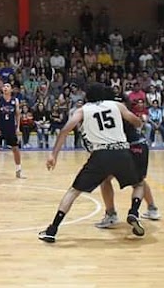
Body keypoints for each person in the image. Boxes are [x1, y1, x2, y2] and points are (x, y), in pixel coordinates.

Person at [38, 83, 146, 243]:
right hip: (122, 152)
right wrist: (138, 124)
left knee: (73, 191)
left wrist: (53, 155)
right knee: (138, 185)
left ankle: (52, 230)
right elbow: (136, 121)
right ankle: (134, 211)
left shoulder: (82, 110)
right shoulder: (116, 105)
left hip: (100, 154)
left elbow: (65, 130)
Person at [95, 88, 161, 229]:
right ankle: (152, 209)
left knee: (106, 179)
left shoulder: (113, 113)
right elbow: (139, 123)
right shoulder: (125, 112)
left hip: (128, 147)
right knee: (138, 182)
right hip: (138, 146)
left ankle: (111, 214)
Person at [0, 83, 26, 180]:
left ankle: (19, 170)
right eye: (4, 86)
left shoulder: (15, 101)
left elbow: (17, 115)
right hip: (0, 128)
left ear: (11, 90)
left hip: (11, 128)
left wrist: (18, 128)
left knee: (16, 150)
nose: (5, 88)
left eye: (8, 86)